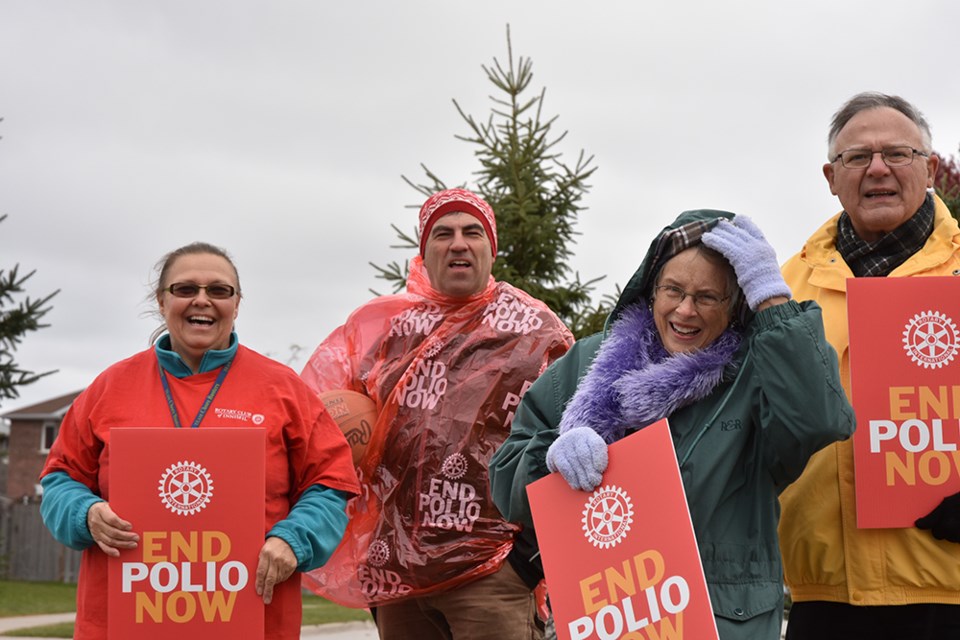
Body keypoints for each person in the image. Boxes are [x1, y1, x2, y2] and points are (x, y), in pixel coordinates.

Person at [489, 209, 854, 640]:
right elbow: (505, 478)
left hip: (721, 622)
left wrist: (773, 300)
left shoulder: (757, 373)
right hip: (605, 615)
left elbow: (820, 419)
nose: (684, 310)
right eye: (673, 290)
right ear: (650, 290)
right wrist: (550, 456)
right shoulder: (588, 365)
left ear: (735, 304)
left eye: (706, 297)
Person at [38, 242, 361, 640]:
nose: (202, 301)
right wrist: (83, 512)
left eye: (219, 291)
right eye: (185, 289)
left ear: (237, 304)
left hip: (253, 617)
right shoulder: (110, 388)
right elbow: (58, 480)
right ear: (161, 301)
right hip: (124, 621)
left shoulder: (282, 389)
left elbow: (331, 483)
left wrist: (293, 539)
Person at [299, 188, 574, 640]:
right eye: (442, 234)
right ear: (424, 252)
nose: (458, 243)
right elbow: (325, 436)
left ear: (491, 247)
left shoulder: (535, 330)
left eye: (472, 232)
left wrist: (525, 561)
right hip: (399, 578)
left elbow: (567, 438)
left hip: (491, 575)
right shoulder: (390, 331)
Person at [778, 92, 960, 639]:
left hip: (949, 592)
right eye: (858, 157)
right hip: (821, 599)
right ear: (832, 177)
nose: (877, 168)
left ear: (929, 170)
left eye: (896, 154)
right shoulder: (782, 291)